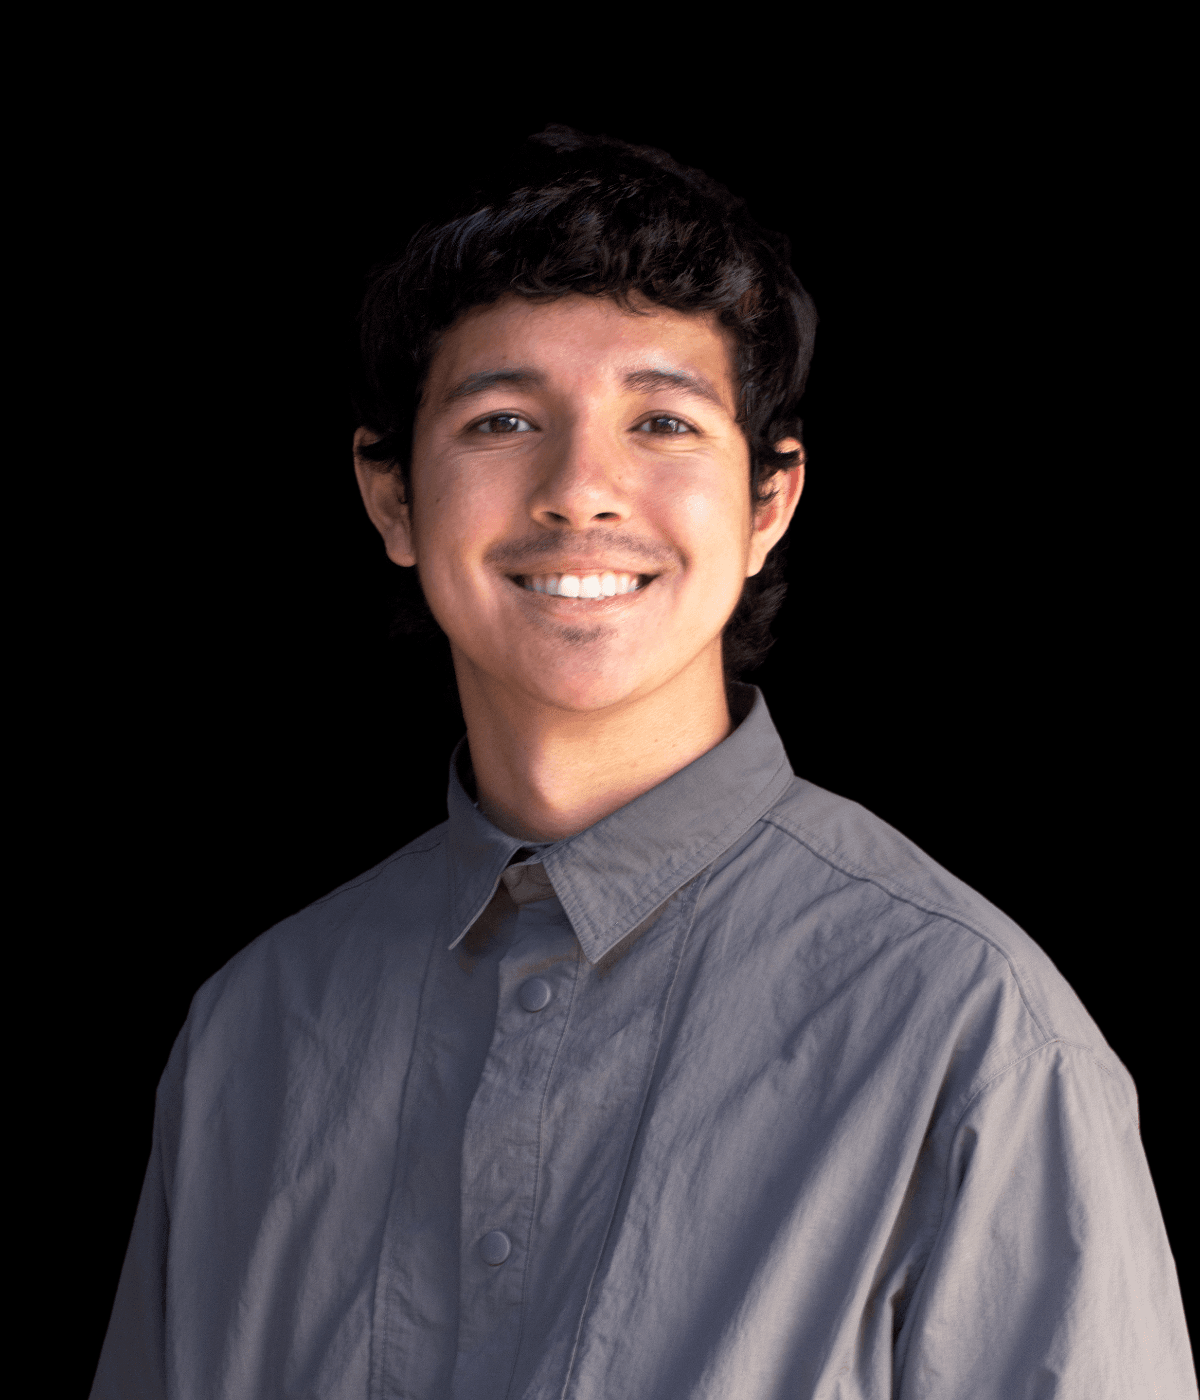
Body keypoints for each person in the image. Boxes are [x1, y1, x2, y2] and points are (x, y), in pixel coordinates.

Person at [92, 125, 1195, 1400]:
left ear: (769, 502)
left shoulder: (969, 1028)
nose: (581, 490)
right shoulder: (251, 1034)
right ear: (391, 495)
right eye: (504, 418)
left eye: (662, 421)